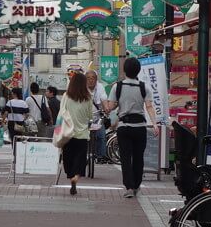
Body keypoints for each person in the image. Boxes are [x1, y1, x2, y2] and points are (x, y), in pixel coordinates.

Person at [106, 57, 160, 198]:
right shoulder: (144, 87)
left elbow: (110, 107)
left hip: (124, 127)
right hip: (140, 127)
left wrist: (114, 105)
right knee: (138, 158)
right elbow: (149, 107)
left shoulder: (117, 87)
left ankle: (129, 187)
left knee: (125, 158)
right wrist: (155, 124)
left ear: (124, 70)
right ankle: (136, 185)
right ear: (138, 70)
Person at [61, 72, 93, 195]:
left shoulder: (66, 95)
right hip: (82, 134)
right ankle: (76, 177)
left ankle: (71, 177)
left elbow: (61, 112)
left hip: (68, 134)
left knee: (68, 159)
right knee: (80, 160)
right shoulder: (88, 97)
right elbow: (90, 116)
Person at [85, 70, 109, 164]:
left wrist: (106, 108)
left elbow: (104, 98)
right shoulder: (82, 87)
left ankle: (100, 156)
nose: (91, 80)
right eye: (88, 78)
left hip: (97, 116)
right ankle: (85, 155)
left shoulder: (100, 87)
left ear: (96, 79)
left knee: (101, 136)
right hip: (85, 117)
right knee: (84, 137)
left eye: (93, 78)